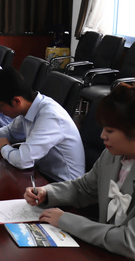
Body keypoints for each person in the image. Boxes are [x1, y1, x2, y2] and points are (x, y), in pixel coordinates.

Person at [23, 83, 135, 257]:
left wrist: (66, 220)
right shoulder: (111, 155)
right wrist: (47, 193)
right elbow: (84, 188)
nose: (102, 136)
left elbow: (129, 241)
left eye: (110, 130)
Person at [0, 68, 84, 182]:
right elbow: (10, 132)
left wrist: (4, 147)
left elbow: (23, 161)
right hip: (41, 175)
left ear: (16, 101)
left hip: (62, 185)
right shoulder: (29, 108)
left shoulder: (50, 117)